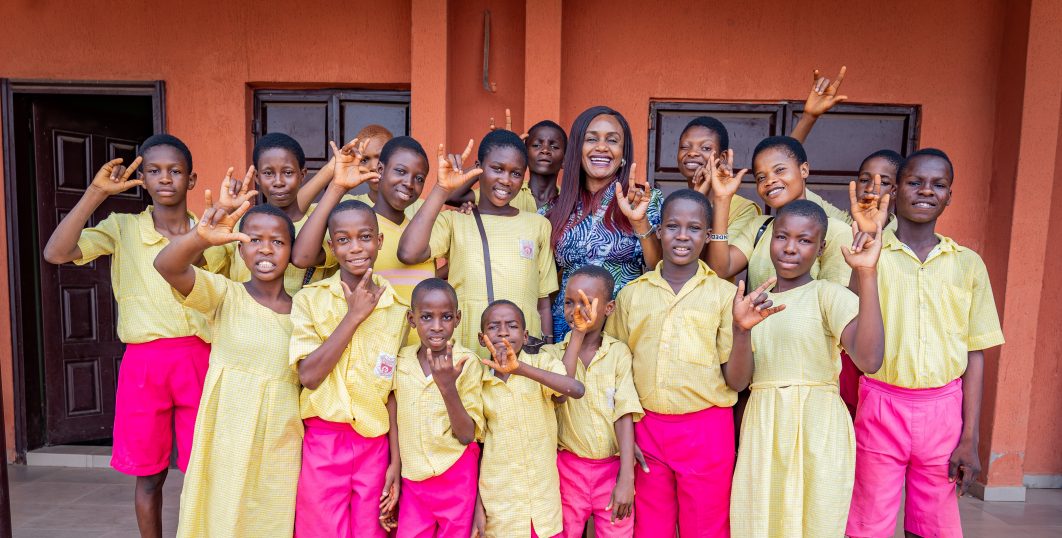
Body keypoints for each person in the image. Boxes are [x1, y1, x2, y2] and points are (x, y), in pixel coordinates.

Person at [41, 135, 230, 538]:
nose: (165, 178)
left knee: (206, 470)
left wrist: (204, 236)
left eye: (175, 170)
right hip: (144, 364)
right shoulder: (123, 228)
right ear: (142, 179)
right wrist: (96, 194)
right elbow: (56, 252)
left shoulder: (212, 232)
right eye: (154, 171)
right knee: (149, 475)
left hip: (200, 358)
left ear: (192, 179)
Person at [846, 149, 1005, 538]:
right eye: (915, 182)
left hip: (943, 412)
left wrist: (970, 438)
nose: (927, 191)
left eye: (939, 184)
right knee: (869, 520)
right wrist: (868, 247)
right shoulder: (872, 254)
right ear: (895, 189)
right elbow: (851, 321)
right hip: (880, 404)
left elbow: (975, 353)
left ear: (950, 195)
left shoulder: (967, 264)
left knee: (933, 523)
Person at [728, 200, 885, 537]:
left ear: (821, 248)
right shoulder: (754, 304)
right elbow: (738, 382)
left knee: (816, 520)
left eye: (804, 240)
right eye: (782, 236)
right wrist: (741, 330)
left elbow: (870, 360)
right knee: (761, 522)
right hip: (764, 425)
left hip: (818, 424)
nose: (790, 248)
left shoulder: (827, 295)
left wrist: (867, 273)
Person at [155, 200, 302, 537]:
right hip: (226, 434)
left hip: (281, 438)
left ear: (292, 251)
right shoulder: (224, 294)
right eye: (254, 240)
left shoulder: (305, 310)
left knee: (272, 516)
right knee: (221, 513)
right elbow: (166, 266)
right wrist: (200, 237)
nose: (266, 249)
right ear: (239, 249)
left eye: (278, 241)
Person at [605, 189, 741, 537]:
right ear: (659, 231)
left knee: (706, 528)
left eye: (694, 228)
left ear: (707, 235)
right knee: (651, 527)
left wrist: (743, 330)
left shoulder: (724, 295)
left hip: (707, 429)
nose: (682, 236)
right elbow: (614, 370)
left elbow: (738, 379)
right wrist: (625, 438)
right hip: (647, 428)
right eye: (672, 226)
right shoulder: (632, 294)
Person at [288, 200, 408, 537]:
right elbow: (309, 376)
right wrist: (353, 316)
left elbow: (393, 394)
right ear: (331, 246)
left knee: (373, 530)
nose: (355, 247)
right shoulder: (310, 300)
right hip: (324, 441)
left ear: (380, 241)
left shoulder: (398, 310)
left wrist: (395, 461)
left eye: (365, 237)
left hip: (375, 446)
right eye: (343, 240)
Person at [398, 132, 558, 357]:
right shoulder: (456, 221)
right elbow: (408, 252)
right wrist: (442, 188)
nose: (506, 180)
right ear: (478, 167)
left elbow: (543, 301)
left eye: (516, 173)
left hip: (522, 355)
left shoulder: (538, 225)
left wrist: (547, 348)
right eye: (497, 169)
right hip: (467, 348)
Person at [544, 106, 662, 340]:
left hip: (621, 328)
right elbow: (542, 283)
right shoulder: (555, 208)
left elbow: (659, 268)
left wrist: (639, 222)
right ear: (577, 149)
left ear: (623, 153)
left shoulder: (646, 200)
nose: (601, 147)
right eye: (591, 139)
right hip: (564, 330)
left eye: (612, 140)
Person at [473, 300, 585, 537]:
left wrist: (520, 369)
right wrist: (477, 505)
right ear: (482, 339)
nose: (503, 332)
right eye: (493, 327)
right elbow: (478, 447)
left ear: (525, 336)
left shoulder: (542, 364)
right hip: (501, 509)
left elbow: (574, 390)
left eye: (512, 326)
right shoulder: (479, 382)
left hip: (543, 508)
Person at [545, 265, 642, 537]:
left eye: (586, 303)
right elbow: (561, 392)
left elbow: (624, 414)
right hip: (567, 469)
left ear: (609, 308)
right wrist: (577, 334)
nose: (576, 310)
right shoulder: (552, 355)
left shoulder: (618, 353)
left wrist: (627, 477)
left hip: (612, 470)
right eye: (569, 302)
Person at [292, 136, 434, 304]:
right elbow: (302, 258)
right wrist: (338, 187)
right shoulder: (357, 229)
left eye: (419, 179)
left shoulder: (422, 234)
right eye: (401, 171)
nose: (409, 183)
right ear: (380, 169)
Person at [392, 278, 483, 537]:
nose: (437, 326)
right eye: (426, 317)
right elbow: (393, 413)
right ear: (411, 319)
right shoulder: (401, 361)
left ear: (458, 318)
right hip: (413, 477)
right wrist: (396, 465)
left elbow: (466, 435)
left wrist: (447, 387)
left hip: (456, 474)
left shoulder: (467, 363)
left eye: (446, 317)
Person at [706, 136, 853, 291]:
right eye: (761, 177)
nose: (770, 181)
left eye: (779, 170)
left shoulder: (836, 232)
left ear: (803, 170)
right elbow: (720, 270)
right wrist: (722, 199)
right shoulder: (759, 226)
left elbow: (838, 298)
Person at [225, 132, 335, 294]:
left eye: (288, 172)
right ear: (257, 177)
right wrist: (223, 209)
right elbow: (203, 264)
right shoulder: (239, 225)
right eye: (268, 173)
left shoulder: (322, 224)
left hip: (301, 310)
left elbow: (303, 258)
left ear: (302, 175)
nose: (278, 182)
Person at [678, 116, 762, 241]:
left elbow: (721, 254)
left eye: (706, 148)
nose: (692, 153)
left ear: (723, 158)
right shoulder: (675, 204)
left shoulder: (744, 209)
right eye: (684, 147)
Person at [788, 66, 854, 223]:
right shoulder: (840, 222)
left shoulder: (845, 228)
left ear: (895, 189)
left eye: (884, 182)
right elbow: (786, 169)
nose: (872, 188)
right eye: (865, 180)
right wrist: (809, 117)